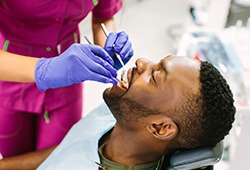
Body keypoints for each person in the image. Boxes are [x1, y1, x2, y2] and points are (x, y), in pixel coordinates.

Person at [37, 55, 236, 170]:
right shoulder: (121, 114)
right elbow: (67, 149)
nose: (141, 62)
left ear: (160, 127)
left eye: (154, 76)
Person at [0, 0, 133, 160]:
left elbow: (103, 17)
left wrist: (109, 46)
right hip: (10, 75)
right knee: (16, 157)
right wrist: (45, 69)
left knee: (61, 156)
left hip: (69, 77)